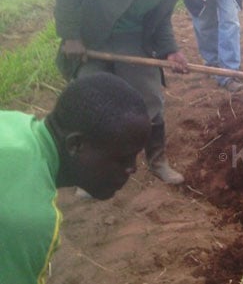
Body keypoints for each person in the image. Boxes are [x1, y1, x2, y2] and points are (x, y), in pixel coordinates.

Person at [55, 0, 201, 186]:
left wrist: (171, 50)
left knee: (151, 99)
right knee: (91, 99)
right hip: (93, 34)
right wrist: (71, 36)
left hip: (132, 38)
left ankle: (157, 161)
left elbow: (162, 17)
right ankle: (86, 172)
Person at [0, 72, 151, 283]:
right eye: (122, 159)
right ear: (76, 145)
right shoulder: (28, 220)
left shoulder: (14, 123)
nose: (132, 169)